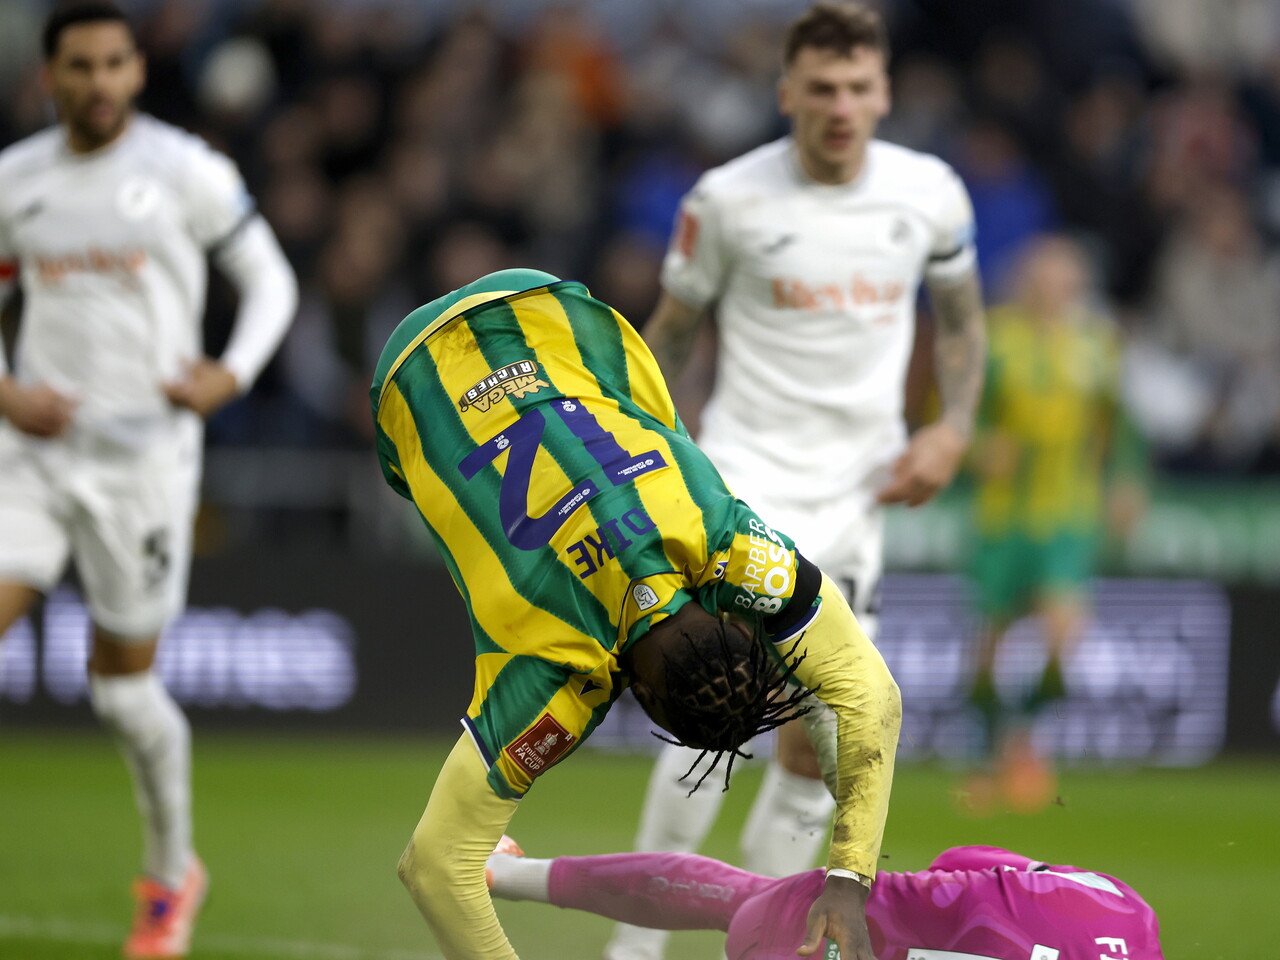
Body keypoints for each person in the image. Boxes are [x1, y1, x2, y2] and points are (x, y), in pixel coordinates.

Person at [369, 268, 901, 960]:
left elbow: (868, 691)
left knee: (649, 432)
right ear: (639, 697)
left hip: (553, 312)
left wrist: (850, 870)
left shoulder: (723, 542)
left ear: (732, 617)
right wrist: (850, 875)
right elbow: (433, 867)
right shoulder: (555, 677)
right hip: (406, 387)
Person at [618, 5, 986, 955]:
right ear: (786, 93)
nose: (841, 106)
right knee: (719, 708)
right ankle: (635, 941)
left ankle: (768, 928)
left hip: (860, 497)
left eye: (859, 87)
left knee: (814, 741)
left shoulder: (930, 195)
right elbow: (673, 330)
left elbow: (962, 322)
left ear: (885, 92)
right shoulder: (728, 201)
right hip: (744, 478)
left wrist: (952, 429)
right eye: (821, 88)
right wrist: (638, 440)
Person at [0, 4, 297, 957]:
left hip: (144, 464)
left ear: (135, 71)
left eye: (114, 63)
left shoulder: (185, 171)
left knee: (122, 696)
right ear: (51, 77)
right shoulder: (16, 182)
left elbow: (272, 281)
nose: (98, 81)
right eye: (79, 65)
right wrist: (5, 392)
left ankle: (172, 874)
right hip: (35, 458)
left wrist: (230, 372)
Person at [962, 235, 1145, 813]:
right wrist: (979, 448)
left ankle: (1021, 750)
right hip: (1002, 517)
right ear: (1025, 282)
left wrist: (1127, 478)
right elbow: (958, 418)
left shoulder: (1098, 344)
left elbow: (1120, 423)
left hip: (1068, 513)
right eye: (1043, 279)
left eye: (1065, 280)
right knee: (989, 648)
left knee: (1066, 633)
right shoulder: (995, 339)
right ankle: (993, 756)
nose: (1054, 290)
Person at [488, 838, 1166, 960]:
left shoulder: (1129, 909)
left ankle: (503, 876)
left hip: (814, 919)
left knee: (740, 900)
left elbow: (959, 862)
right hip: (808, 940)